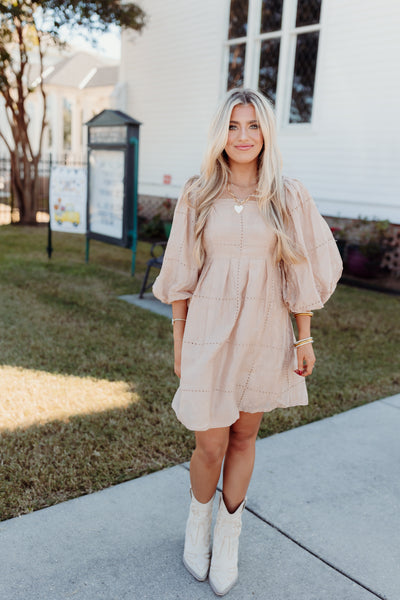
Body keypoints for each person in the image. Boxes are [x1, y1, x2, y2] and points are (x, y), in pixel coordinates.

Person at [152, 88, 342, 596]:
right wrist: (178, 338)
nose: (243, 136)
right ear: (221, 132)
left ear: (266, 133)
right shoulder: (198, 193)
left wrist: (304, 337)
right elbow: (181, 273)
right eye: (234, 126)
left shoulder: (288, 194)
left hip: (264, 328)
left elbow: (299, 270)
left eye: (253, 126)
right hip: (208, 332)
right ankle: (198, 522)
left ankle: (229, 535)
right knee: (209, 442)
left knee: (243, 436)